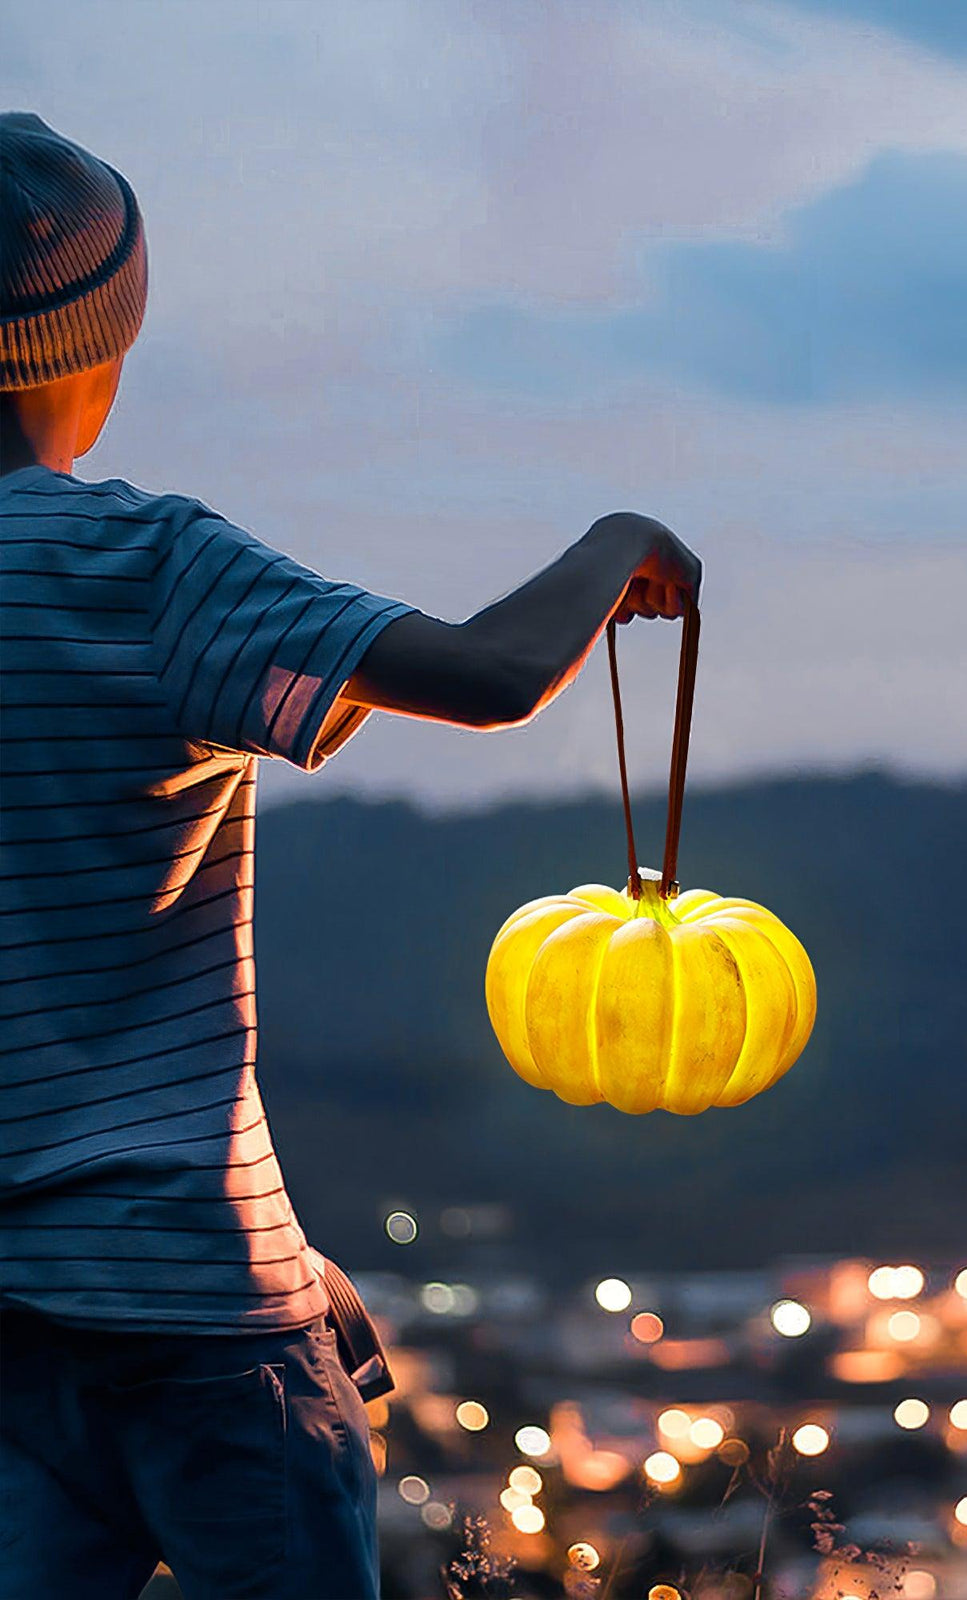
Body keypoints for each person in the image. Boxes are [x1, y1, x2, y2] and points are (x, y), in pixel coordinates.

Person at [0, 112, 701, 1600]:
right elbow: (498, 673)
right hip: (193, 1324)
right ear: (91, 343)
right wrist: (617, 537)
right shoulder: (141, 569)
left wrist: (289, 1252)